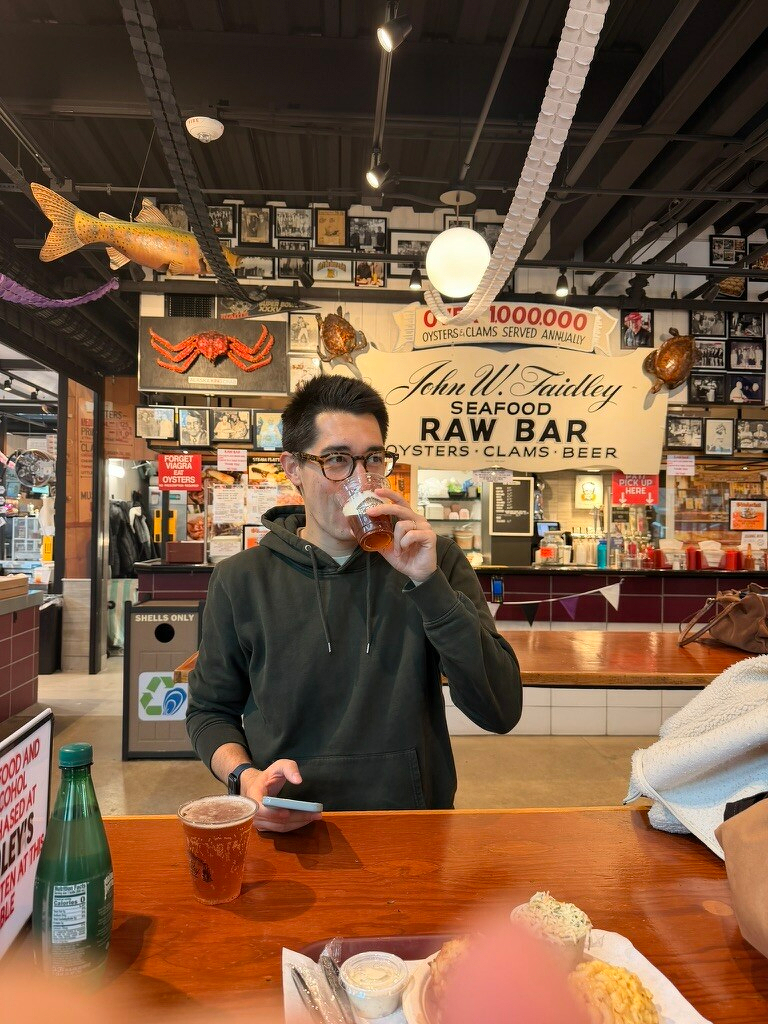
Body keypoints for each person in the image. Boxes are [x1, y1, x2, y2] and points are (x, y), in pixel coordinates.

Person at [187, 375, 522, 831]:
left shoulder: (435, 560)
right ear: (291, 468)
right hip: (289, 820)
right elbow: (210, 712)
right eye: (337, 460)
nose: (360, 482)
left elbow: (500, 710)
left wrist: (427, 583)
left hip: (412, 826)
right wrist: (245, 779)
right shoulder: (240, 580)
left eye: (373, 460)